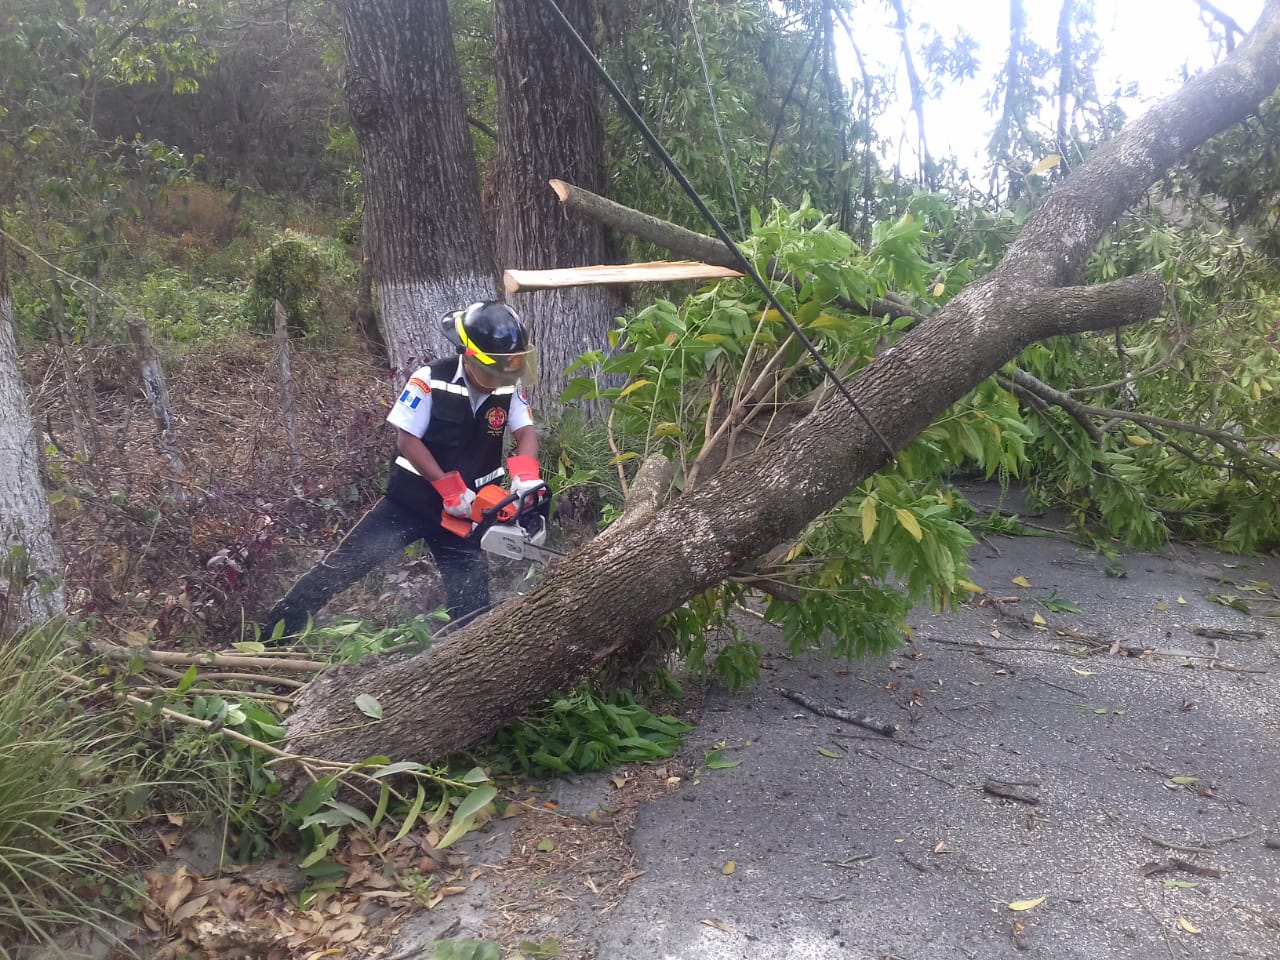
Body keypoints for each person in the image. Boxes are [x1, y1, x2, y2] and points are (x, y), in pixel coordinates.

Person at [262, 301, 542, 637]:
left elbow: (525, 433)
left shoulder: (508, 385)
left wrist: (525, 477)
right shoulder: (429, 380)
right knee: (343, 566)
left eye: (505, 373)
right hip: (411, 502)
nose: (499, 380)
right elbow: (408, 440)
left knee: (473, 602)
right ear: (468, 354)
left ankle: (470, 659)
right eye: (493, 372)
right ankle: (271, 635)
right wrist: (448, 488)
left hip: (467, 516)